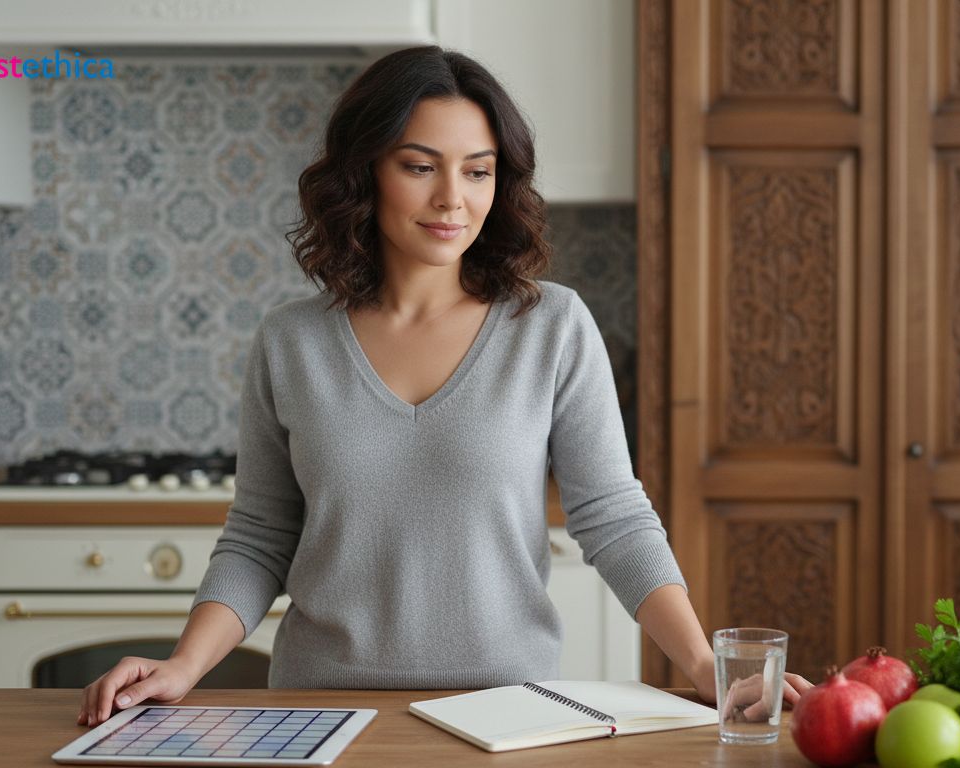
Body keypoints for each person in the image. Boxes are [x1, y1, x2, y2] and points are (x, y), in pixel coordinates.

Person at [78, 45, 812, 726]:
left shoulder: (551, 325)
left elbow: (614, 518)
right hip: (321, 709)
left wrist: (702, 666)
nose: (452, 198)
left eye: (478, 169)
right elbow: (261, 536)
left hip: (510, 708)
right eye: (420, 166)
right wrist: (184, 665)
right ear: (366, 170)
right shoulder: (291, 341)